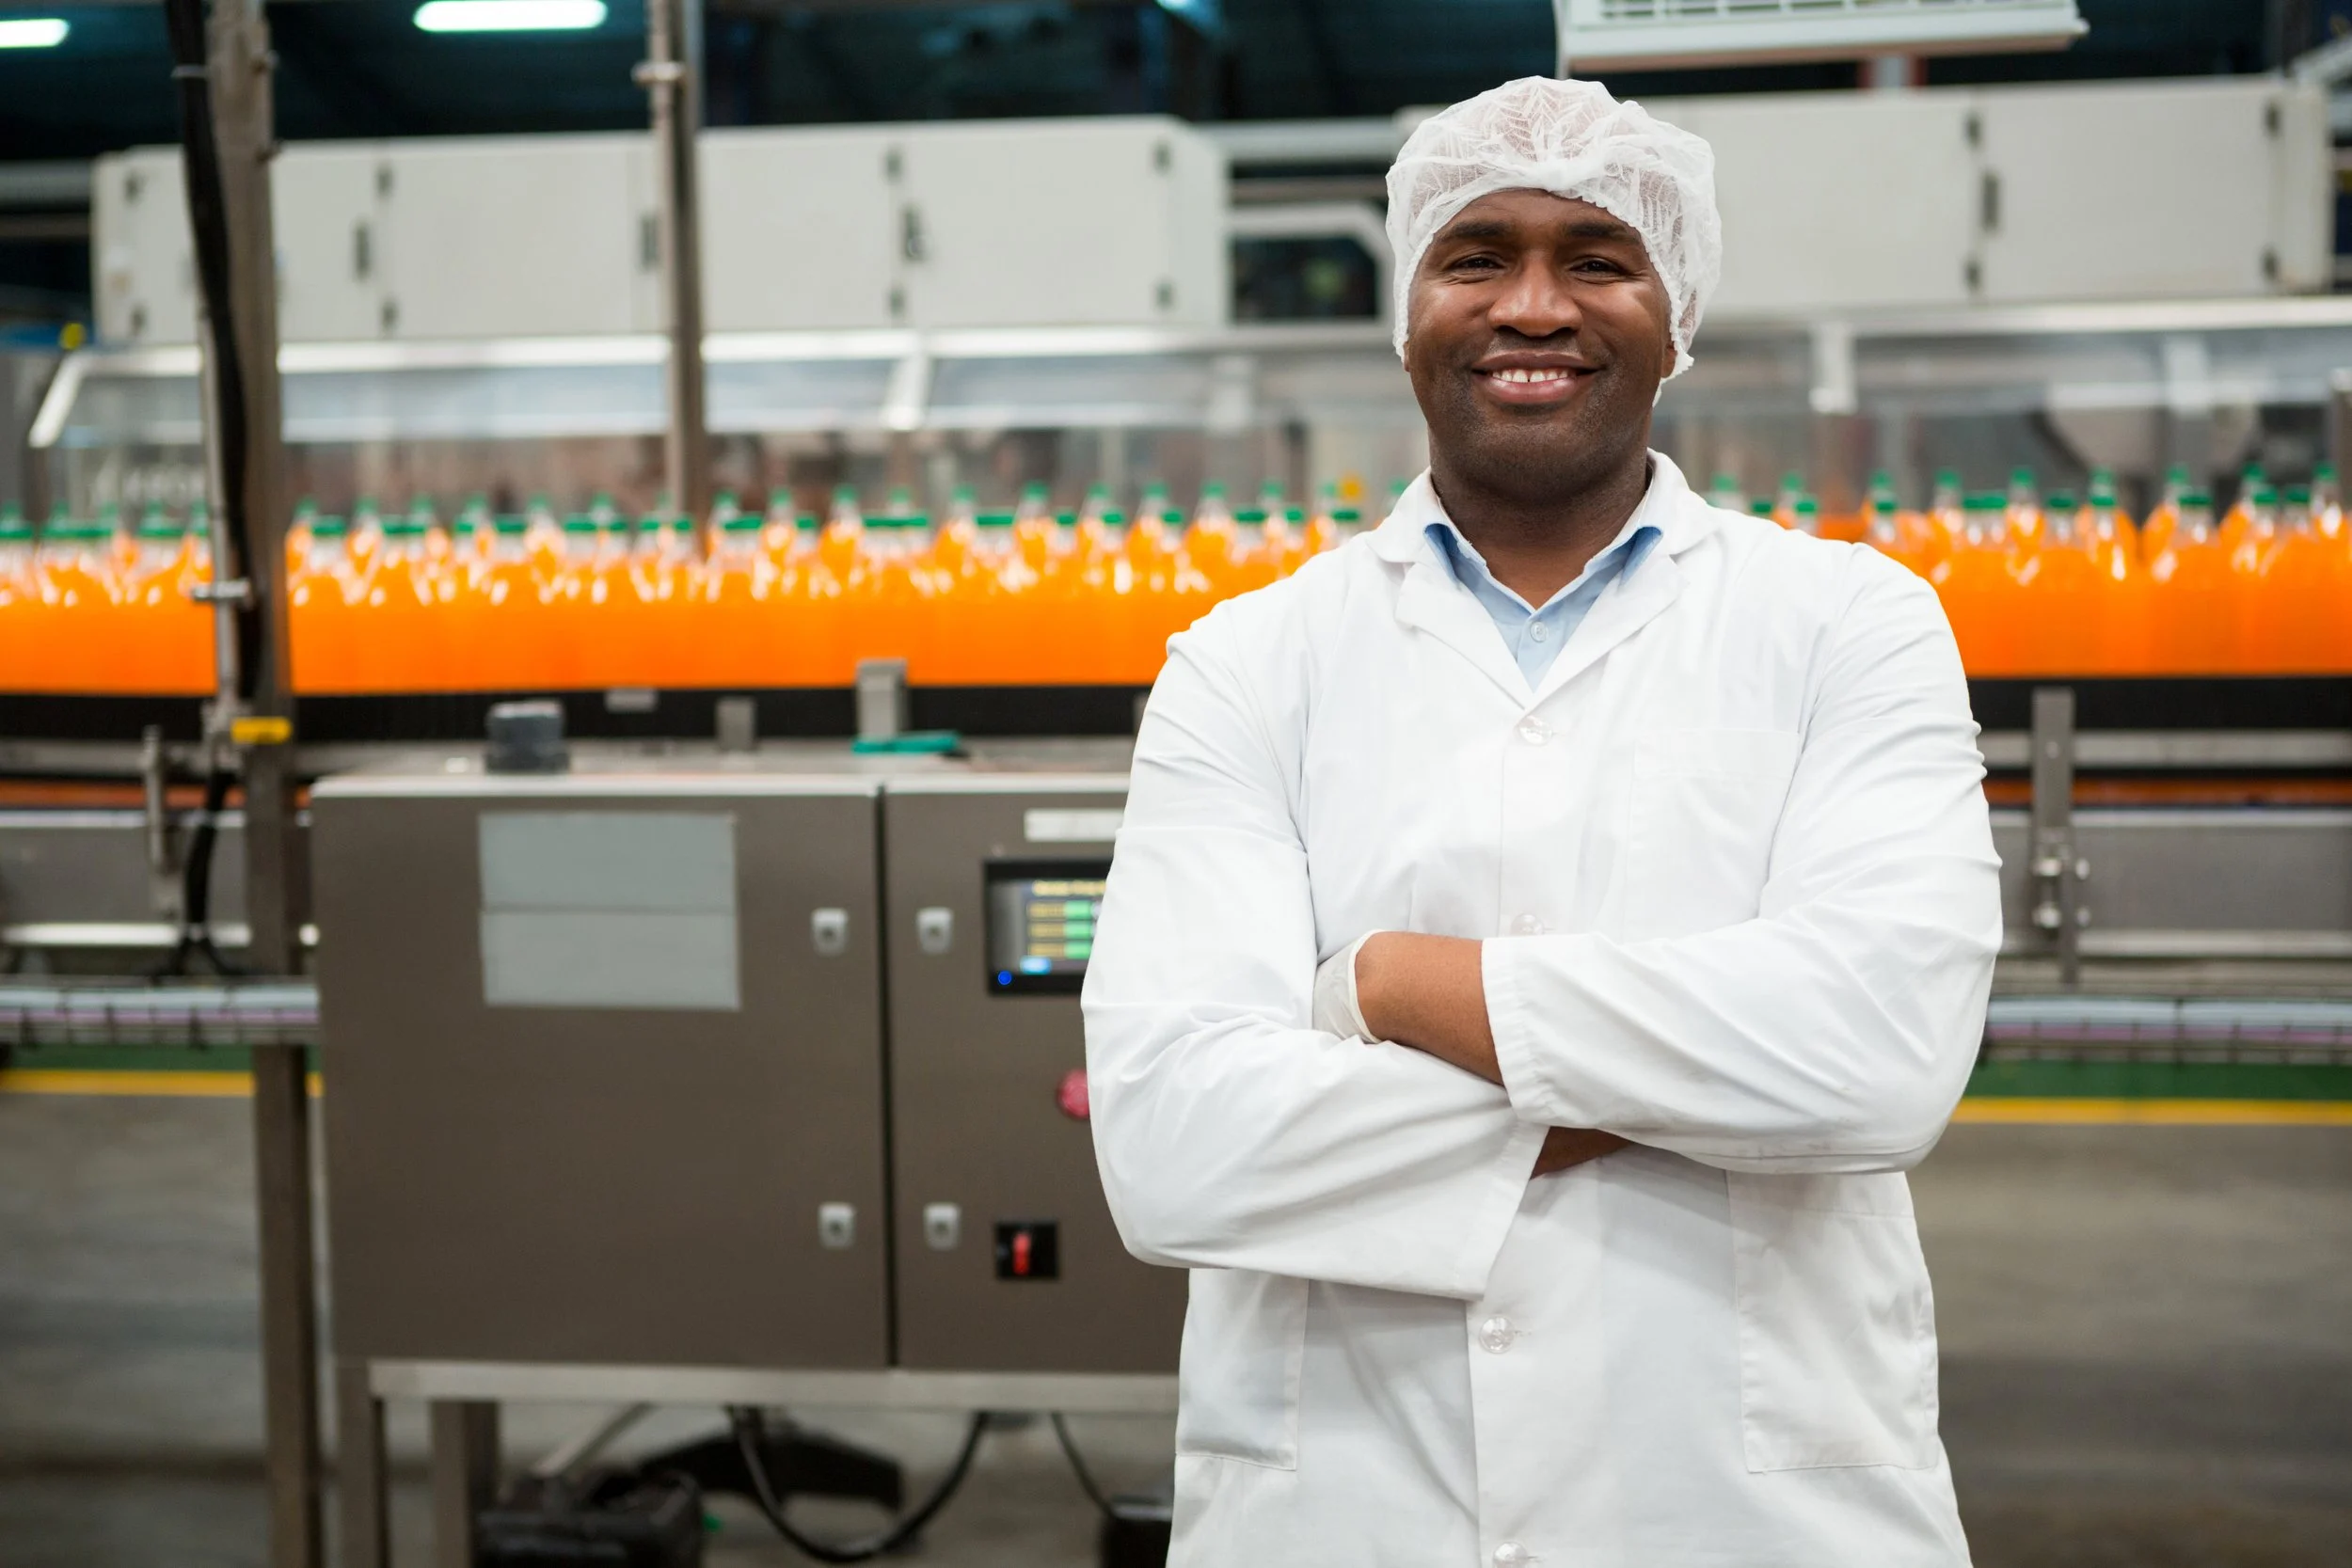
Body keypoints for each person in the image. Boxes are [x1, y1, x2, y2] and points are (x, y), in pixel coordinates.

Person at [1082, 75, 2001, 1566]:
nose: (1531, 305)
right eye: (1475, 254)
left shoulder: (1848, 623)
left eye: (1595, 255)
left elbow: (1876, 1056)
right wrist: (1675, 1087)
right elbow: (1178, 1146)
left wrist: (1385, 984)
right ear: (1408, 306)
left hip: (1748, 1505)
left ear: (1675, 307)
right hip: (1349, 1504)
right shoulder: (1249, 662)